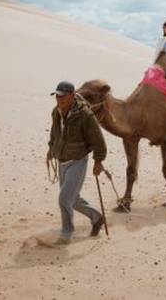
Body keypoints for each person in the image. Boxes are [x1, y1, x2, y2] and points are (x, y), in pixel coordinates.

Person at [46, 81, 107, 245]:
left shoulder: (85, 115)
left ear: (72, 96)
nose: (59, 99)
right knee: (73, 199)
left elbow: (98, 140)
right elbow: (55, 133)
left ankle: (66, 233)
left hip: (78, 161)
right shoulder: (56, 112)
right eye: (57, 96)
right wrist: (51, 150)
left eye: (62, 96)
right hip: (62, 161)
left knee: (64, 199)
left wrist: (98, 161)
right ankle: (97, 218)